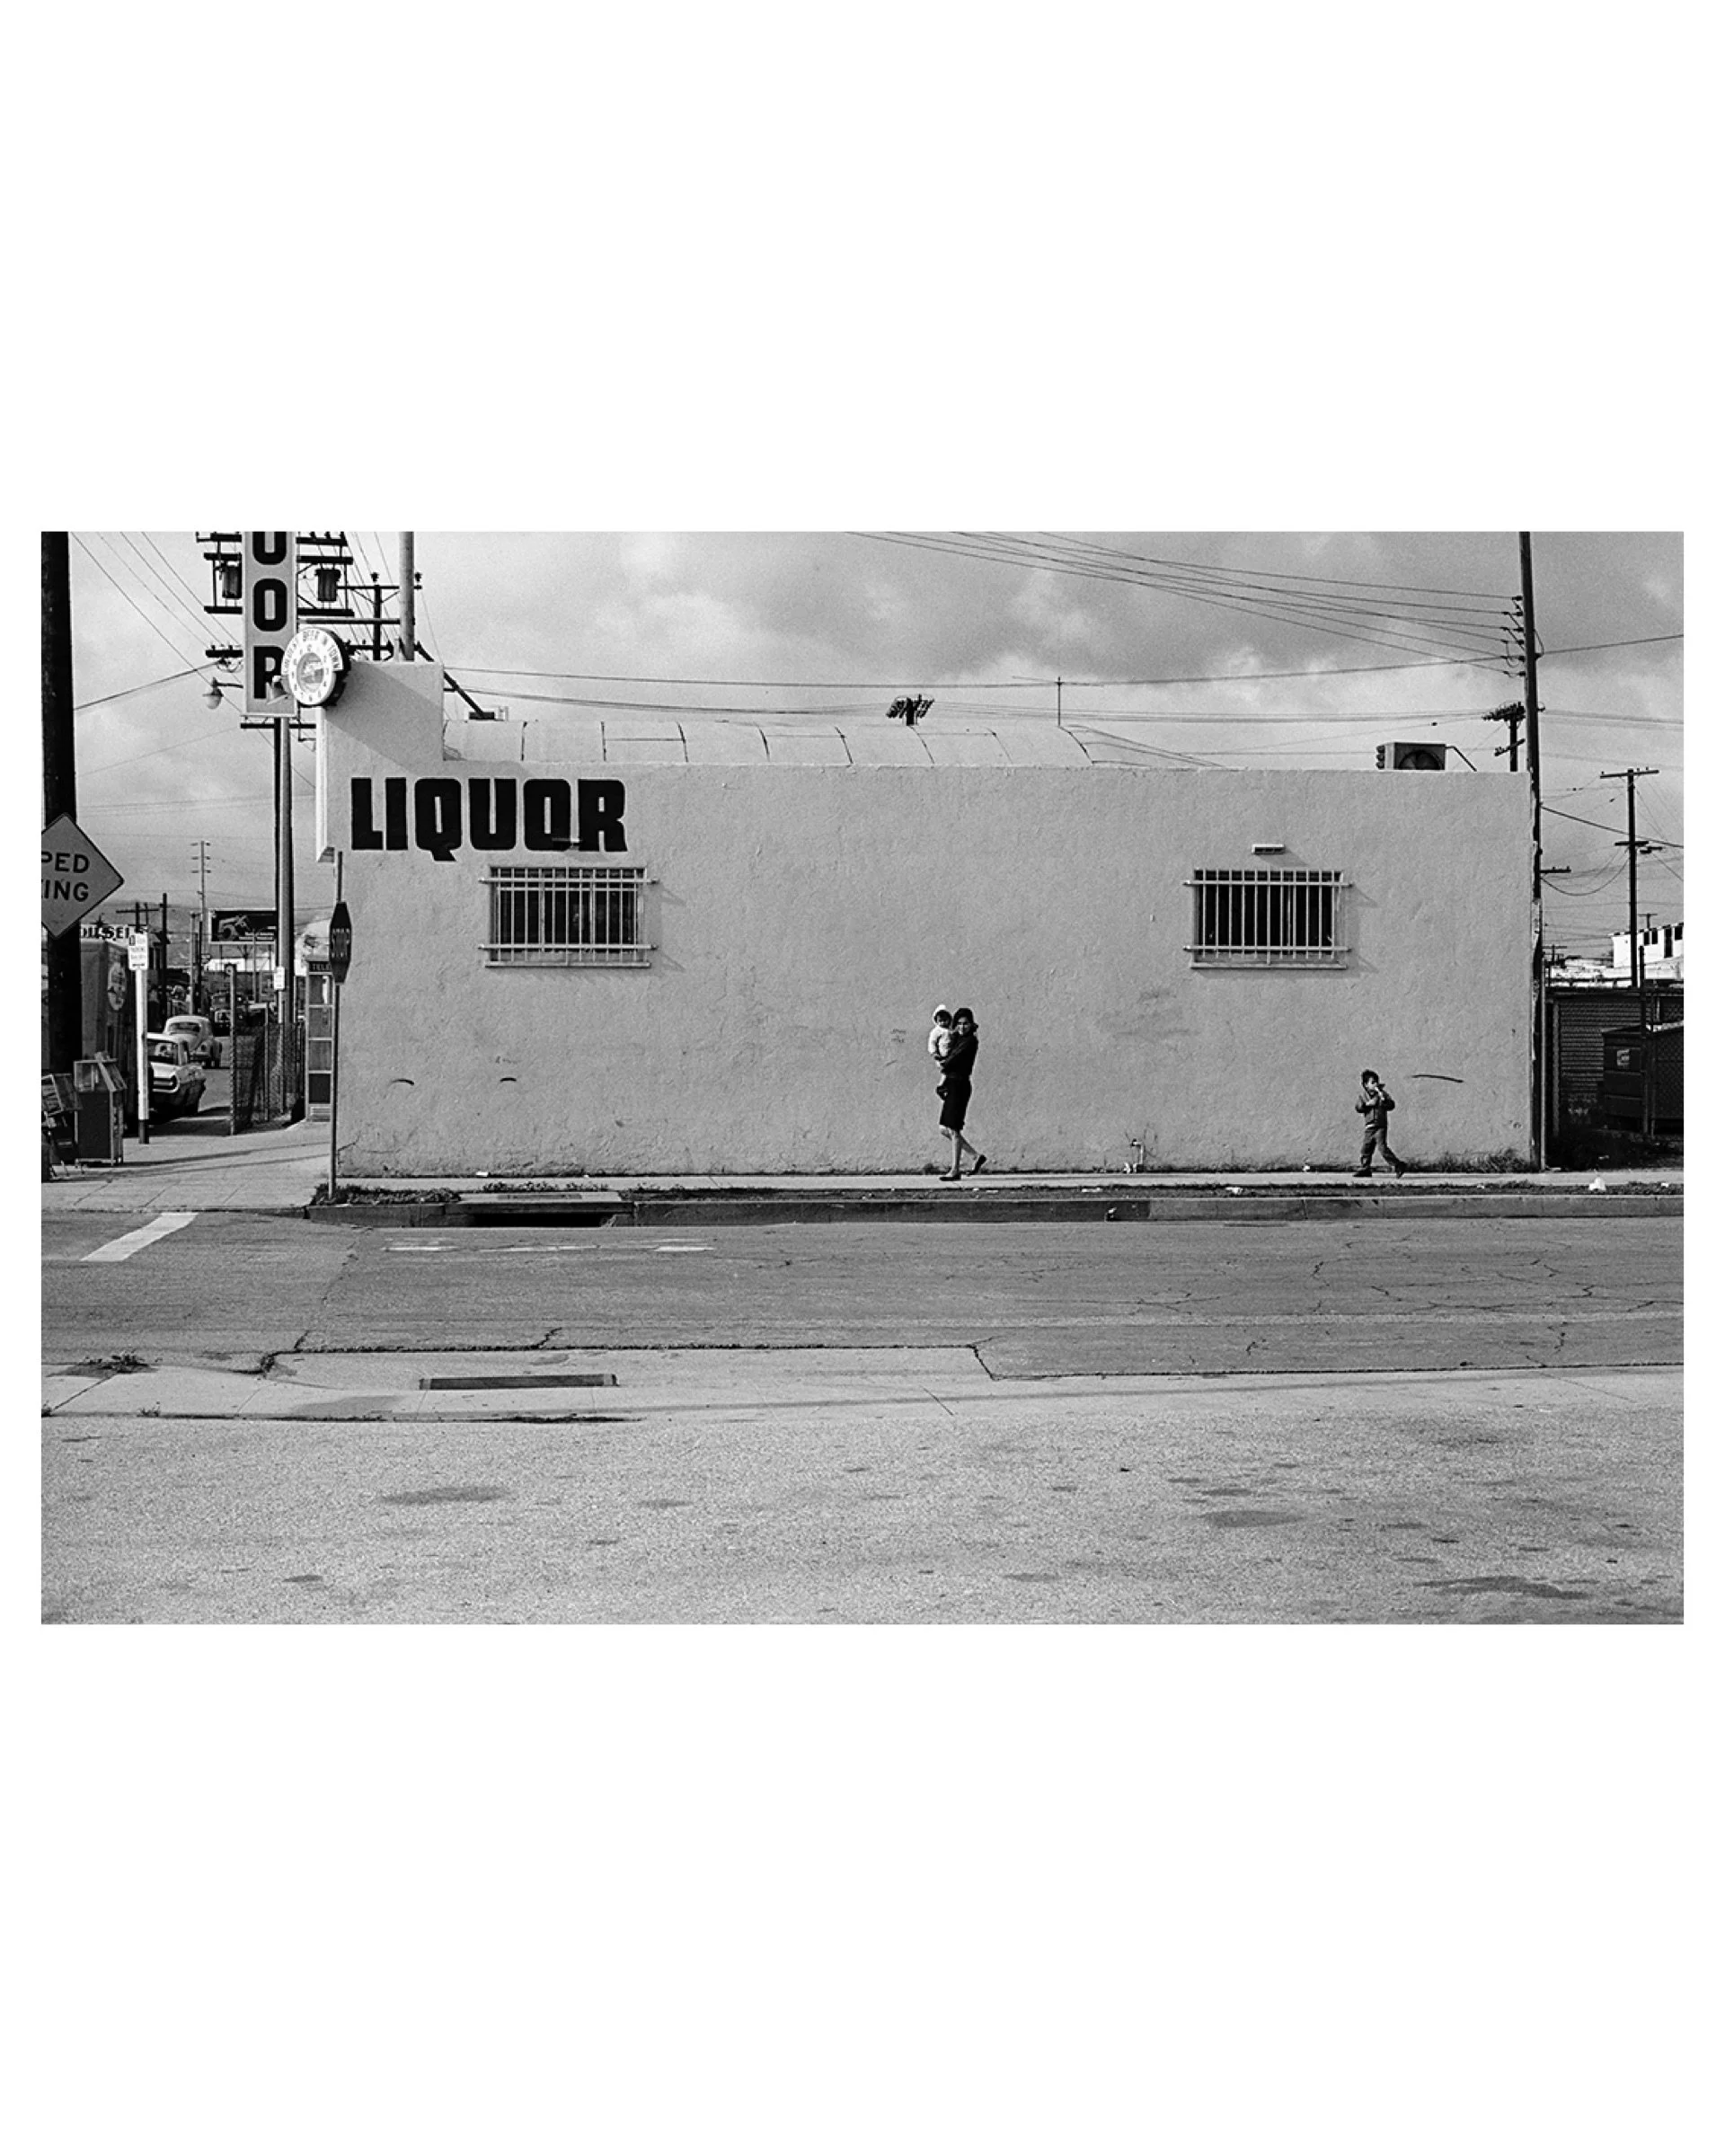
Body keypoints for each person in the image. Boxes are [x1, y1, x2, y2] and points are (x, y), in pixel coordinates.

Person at [936, 1007, 987, 1180]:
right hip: (952, 1083)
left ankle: (955, 1170)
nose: (962, 1027)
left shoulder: (970, 1041)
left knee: (954, 1128)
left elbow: (952, 1059)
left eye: (965, 1023)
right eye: (959, 1023)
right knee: (944, 1129)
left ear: (971, 1024)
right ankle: (975, 1157)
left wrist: (943, 1062)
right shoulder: (957, 1039)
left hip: (960, 1084)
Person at [1353, 1068, 1406, 1178]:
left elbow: (1391, 1106)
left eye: (1376, 1081)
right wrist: (1367, 1105)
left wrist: (1384, 1100)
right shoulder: (1363, 1096)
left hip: (1380, 1126)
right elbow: (1358, 1108)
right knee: (1366, 1149)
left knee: (1382, 1147)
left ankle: (1397, 1165)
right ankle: (1365, 1168)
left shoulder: (1382, 1094)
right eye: (1372, 1082)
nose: (1375, 1084)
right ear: (1366, 1085)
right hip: (1369, 1127)